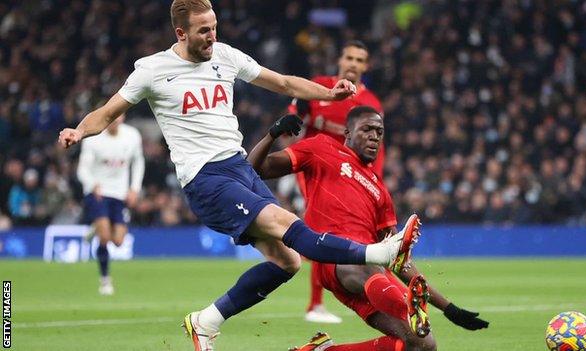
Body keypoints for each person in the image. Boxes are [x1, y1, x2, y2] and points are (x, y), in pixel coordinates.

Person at [58, 1, 416, 350]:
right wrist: (79, 130)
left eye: (214, 27)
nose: (212, 36)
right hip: (206, 179)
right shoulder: (152, 70)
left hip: (240, 168)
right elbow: (107, 113)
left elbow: (285, 84)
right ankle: (380, 254)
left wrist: (329, 93)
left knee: (288, 261)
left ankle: (206, 322)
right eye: (203, 31)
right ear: (181, 33)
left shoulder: (225, 56)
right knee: (287, 224)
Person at [248, 108, 489, 351]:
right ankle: (405, 305)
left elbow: (398, 259)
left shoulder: (380, 192)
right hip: (332, 258)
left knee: (422, 345)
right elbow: (255, 169)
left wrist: (449, 308)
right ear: (348, 133)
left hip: (370, 277)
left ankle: (323, 350)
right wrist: (272, 134)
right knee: (364, 262)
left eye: (379, 132)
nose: (375, 136)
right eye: (367, 129)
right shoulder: (322, 147)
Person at [289, 40, 384, 324]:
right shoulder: (319, 87)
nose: (353, 63)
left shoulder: (371, 104)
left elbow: (378, 146)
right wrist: (291, 120)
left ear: (365, 67)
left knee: (337, 233)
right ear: (340, 60)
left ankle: (344, 288)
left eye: (359, 59)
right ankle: (315, 305)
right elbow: (296, 109)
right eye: (349, 57)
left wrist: (375, 180)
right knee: (321, 227)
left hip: (349, 177)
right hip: (314, 169)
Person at [77, 114, 144, 295]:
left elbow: (138, 162)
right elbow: (82, 168)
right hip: (98, 193)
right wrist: (92, 184)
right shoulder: (93, 139)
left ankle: (95, 227)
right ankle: (105, 280)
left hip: (119, 193)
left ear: (122, 118)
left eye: (119, 117)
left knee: (119, 241)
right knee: (105, 238)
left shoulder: (132, 135)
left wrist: (134, 188)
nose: (115, 120)